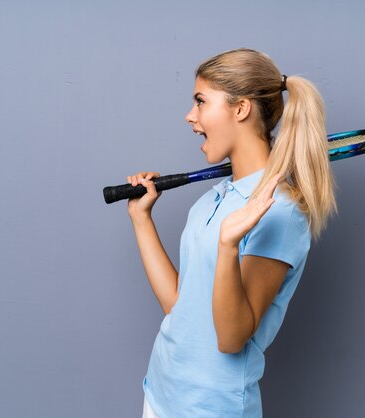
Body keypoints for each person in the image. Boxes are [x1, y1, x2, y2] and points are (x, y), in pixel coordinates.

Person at [127, 48, 337, 418]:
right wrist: (141, 218)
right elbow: (179, 305)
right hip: (161, 392)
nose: (190, 116)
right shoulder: (212, 200)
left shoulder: (282, 214)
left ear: (240, 109)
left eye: (201, 101)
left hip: (210, 409)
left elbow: (231, 337)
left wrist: (228, 246)